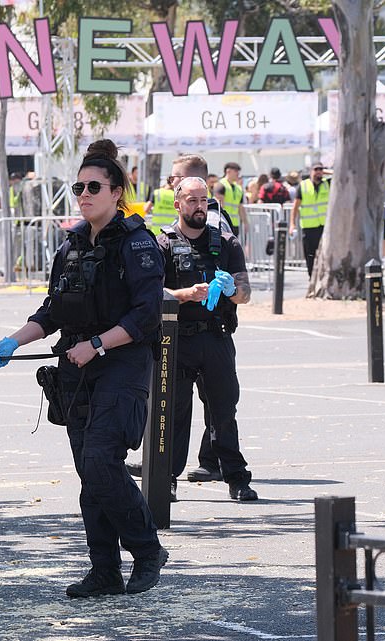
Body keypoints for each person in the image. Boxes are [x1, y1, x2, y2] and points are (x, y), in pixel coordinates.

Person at [0, 139, 168, 598]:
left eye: (93, 187)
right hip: (76, 368)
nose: (83, 194)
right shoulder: (71, 247)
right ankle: (104, 570)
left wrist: (98, 345)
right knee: (91, 471)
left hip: (121, 363)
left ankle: (147, 551)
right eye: (78, 186)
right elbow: (52, 312)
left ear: (116, 192)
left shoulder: (138, 244)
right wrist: (12, 340)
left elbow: (146, 317)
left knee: (101, 460)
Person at [160, 176, 257, 502]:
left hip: (216, 338)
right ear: (178, 204)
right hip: (176, 340)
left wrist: (232, 290)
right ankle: (165, 478)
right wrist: (184, 295)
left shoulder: (226, 243)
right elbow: (150, 295)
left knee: (223, 410)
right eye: (192, 200)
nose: (200, 206)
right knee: (173, 413)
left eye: (204, 200)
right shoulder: (163, 244)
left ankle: (236, 478)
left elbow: (245, 293)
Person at [292, 163, 330, 277]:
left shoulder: (327, 184)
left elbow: (339, 174)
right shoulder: (303, 186)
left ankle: (323, 277)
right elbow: (295, 207)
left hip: (324, 227)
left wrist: (325, 172)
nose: (319, 171)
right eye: (316, 169)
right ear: (310, 171)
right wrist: (292, 224)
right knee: (310, 255)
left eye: (321, 169)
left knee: (325, 254)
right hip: (309, 227)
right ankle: (311, 278)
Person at [218, 162, 247, 237]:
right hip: (224, 223)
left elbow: (240, 207)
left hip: (235, 224)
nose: (238, 174)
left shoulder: (239, 188)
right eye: (236, 171)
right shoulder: (220, 185)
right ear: (228, 171)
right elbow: (219, 205)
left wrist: (245, 222)